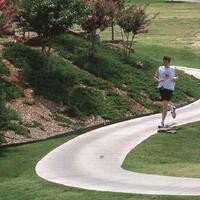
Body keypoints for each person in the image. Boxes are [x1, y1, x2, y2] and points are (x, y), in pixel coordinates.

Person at [154, 56, 179, 128]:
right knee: (164, 104)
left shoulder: (173, 68)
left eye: (166, 62)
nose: (165, 64)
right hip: (161, 87)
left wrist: (175, 78)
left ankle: (162, 123)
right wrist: (158, 80)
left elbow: (177, 77)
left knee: (164, 106)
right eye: (164, 62)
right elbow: (155, 76)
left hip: (169, 88)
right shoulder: (160, 68)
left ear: (169, 62)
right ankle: (172, 108)